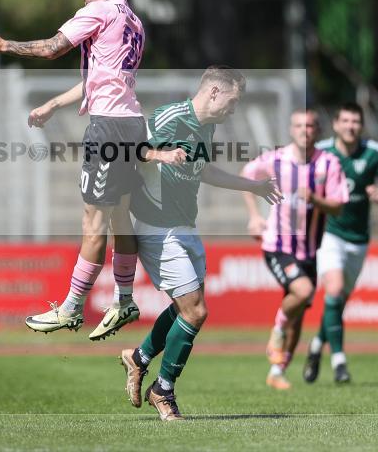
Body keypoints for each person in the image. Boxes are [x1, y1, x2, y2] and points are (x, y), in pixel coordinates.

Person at [0, 0, 147, 341]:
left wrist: (6, 45)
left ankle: (71, 307)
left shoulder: (97, 11)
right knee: (119, 216)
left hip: (109, 128)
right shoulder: (132, 20)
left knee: (93, 220)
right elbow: (102, 79)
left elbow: (53, 48)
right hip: (132, 123)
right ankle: (125, 298)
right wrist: (54, 104)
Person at [118, 67, 282, 421]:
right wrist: (160, 155)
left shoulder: (207, 127)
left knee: (184, 310)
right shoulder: (171, 116)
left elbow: (204, 170)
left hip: (185, 226)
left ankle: (139, 358)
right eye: (232, 102)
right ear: (213, 93)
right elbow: (132, 149)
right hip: (157, 226)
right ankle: (163, 390)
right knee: (196, 311)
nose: (233, 110)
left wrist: (251, 187)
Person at [241, 109, 347, 391]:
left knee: (299, 311)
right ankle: (277, 332)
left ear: (318, 130)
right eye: (299, 126)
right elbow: (246, 176)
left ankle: (277, 370)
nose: (305, 130)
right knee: (302, 292)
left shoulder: (328, 164)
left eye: (310, 126)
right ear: (291, 129)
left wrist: (316, 199)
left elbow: (338, 205)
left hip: (310, 250)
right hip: (278, 245)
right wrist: (254, 216)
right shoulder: (276, 159)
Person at [302, 102, 378, 384]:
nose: (350, 126)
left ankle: (316, 346)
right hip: (329, 234)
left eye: (355, 121)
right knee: (332, 292)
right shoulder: (320, 153)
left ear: (361, 125)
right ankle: (340, 362)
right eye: (345, 121)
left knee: (337, 302)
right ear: (335, 124)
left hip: (359, 240)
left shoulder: (373, 152)